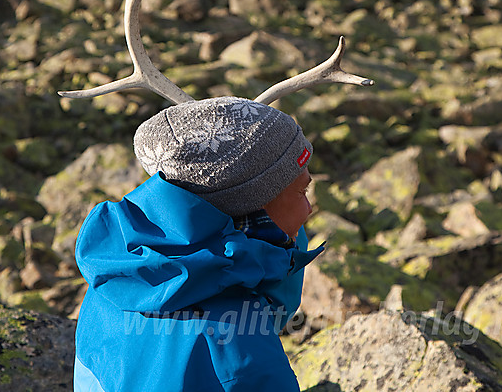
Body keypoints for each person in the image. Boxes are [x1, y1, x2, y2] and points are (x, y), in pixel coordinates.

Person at [73, 96, 324, 391]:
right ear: (254, 205)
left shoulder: (115, 275)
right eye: (301, 191)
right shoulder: (241, 349)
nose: (309, 209)